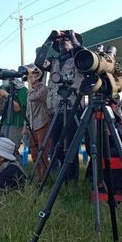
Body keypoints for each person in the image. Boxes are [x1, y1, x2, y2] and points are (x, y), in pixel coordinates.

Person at [36, 29, 85, 182]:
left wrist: (73, 37)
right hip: (56, 108)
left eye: (67, 40)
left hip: (73, 107)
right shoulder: (54, 61)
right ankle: (60, 178)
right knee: (55, 147)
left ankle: (72, 181)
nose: (63, 43)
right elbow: (38, 61)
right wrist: (49, 39)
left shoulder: (79, 59)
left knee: (70, 146)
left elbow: (84, 56)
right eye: (61, 41)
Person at [25, 67, 52, 179]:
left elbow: (33, 97)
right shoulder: (30, 90)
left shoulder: (43, 89)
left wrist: (30, 84)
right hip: (32, 125)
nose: (30, 76)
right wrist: (25, 125)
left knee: (43, 154)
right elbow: (28, 111)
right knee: (34, 154)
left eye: (33, 74)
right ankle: (38, 177)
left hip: (43, 124)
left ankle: (44, 179)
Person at [0, 77, 28, 156]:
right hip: (4, 122)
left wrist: (6, 95)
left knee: (11, 150)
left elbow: (18, 108)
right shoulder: (5, 87)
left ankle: (15, 167)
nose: (4, 81)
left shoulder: (22, 90)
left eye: (6, 78)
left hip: (16, 124)